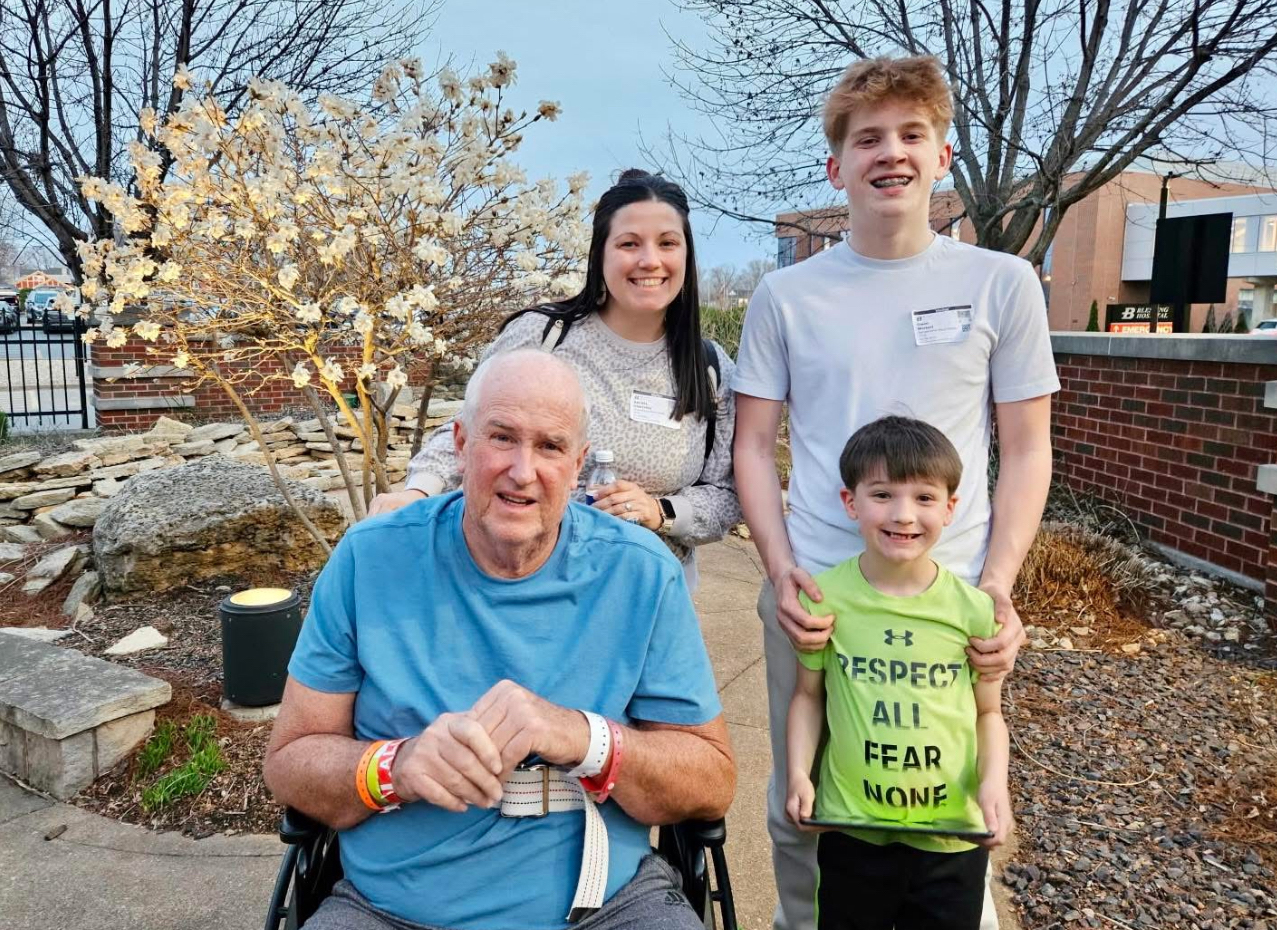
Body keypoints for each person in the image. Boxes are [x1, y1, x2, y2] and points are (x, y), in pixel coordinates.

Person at [732, 56, 1058, 930]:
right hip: (818, 595)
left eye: (911, 134)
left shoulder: (1001, 283)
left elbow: (1028, 450)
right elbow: (754, 448)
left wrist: (998, 585)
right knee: (803, 800)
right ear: (834, 166)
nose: (891, 153)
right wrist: (780, 570)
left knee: (952, 801)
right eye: (867, 138)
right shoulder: (785, 295)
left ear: (942, 153)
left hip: (948, 595)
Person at [264, 349, 735, 930]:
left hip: (607, 907)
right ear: (461, 444)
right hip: (390, 909)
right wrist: (396, 768)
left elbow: (712, 780)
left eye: (551, 447)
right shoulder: (370, 559)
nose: (522, 471)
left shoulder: (640, 572)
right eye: (502, 437)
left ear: (580, 463)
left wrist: (584, 738)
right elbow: (290, 760)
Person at [369, 169, 741, 589]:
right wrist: (418, 493)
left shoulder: (710, 368)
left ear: (686, 255)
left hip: (645, 593)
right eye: (629, 243)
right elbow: (471, 430)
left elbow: (726, 495)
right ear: (601, 254)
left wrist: (661, 512)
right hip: (526, 584)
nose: (650, 260)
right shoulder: (544, 336)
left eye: (668, 243)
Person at [786, 416, 1010, 930]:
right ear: (851, 502)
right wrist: (800, 772)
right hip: (851, 832)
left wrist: (994, 785)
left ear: (951, 508)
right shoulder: (823, 599)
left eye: (925, 498)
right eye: (883, 494)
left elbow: (989, 712)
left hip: (951, 839)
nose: (904, 515)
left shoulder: (974, 611)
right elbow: (808, 696)